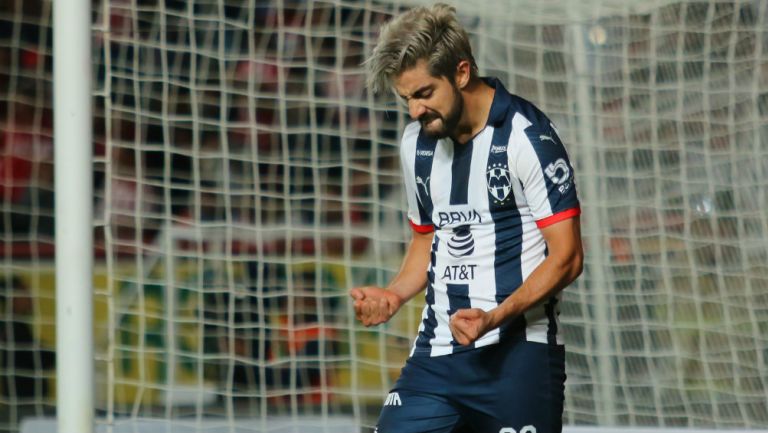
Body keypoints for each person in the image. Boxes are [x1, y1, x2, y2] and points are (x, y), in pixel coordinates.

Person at [349, 4, 583, 433]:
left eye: (424, 94)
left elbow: (567, 257)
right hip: (436, 357)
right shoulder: (415, 145)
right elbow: (426, 239)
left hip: (518, 358)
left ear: (460, 72)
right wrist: (394, 295)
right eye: (406, 100)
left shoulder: (527, 137)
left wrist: (495, 316)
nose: (415, 112)